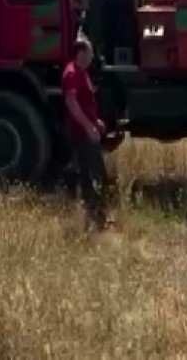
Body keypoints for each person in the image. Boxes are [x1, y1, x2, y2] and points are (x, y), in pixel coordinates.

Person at [62, 36, 111, 228]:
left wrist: (95, 121)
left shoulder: (82, 73)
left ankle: (96, 217)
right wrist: (88, 126)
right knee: (93, 175)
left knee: (94, 174)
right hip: (81, 134)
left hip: (86, 131)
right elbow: (71, 102)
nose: (92, 57)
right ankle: (97, 220)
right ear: (81, 53)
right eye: (90, 53)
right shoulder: (71, 73)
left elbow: (84, 103)